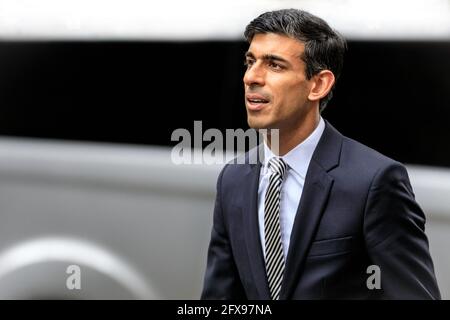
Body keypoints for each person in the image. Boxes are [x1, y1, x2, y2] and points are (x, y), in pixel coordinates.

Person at [201, 9, 440, 299]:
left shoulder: (374, 181)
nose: (251, 77)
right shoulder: (233, 178)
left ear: (318, 85)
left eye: (274, 65)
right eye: (250, 61)